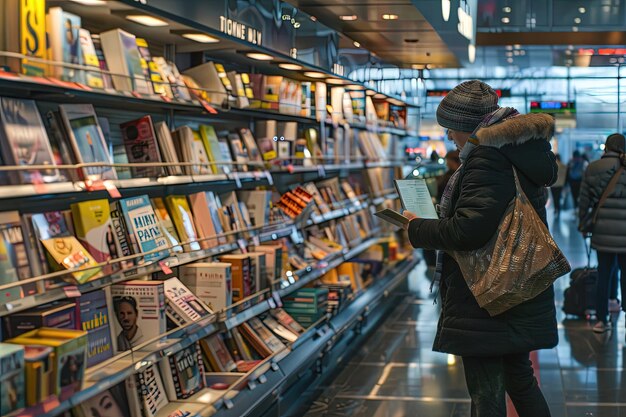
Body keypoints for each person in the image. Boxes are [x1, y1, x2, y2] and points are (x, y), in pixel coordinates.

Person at [403, 80, 558, 417]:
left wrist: (416, 227)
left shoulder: (486, 158)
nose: (448, 137)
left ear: (469, 127)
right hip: (514, 287)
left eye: (452, 129)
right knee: (519, 380)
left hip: (488, 295)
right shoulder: (515, 150)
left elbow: (469, 229)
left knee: (486, 392)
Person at [578, 133, 626, 333]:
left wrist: (583, 224)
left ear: (606, 147)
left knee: (604, 274)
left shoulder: (593, 168)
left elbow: (584, 201)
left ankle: (601, 320)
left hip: (602, 231)